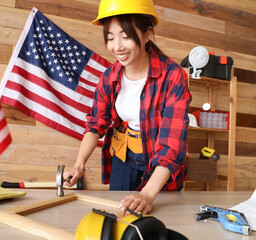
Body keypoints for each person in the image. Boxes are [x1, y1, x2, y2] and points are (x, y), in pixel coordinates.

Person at [64, 0, 192, 215]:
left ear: (147, 34)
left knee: (158, 224)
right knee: (119, 219)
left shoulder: (173, 76)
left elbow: (172, 145)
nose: (117, 47)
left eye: (125, 36)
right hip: (123, 160)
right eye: (111, 38)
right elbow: (96, 124)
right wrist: (79, 165)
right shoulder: (109, 77)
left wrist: (148, 194)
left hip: (159, 165)